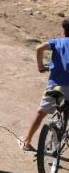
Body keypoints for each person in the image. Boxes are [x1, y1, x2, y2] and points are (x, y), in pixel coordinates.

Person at [19, 18, 69, 152]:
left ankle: (27, 141)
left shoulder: (57, 42)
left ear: (63, 30)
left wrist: (41, 66)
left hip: (56, 86)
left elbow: (39, 48)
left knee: (41, 113)